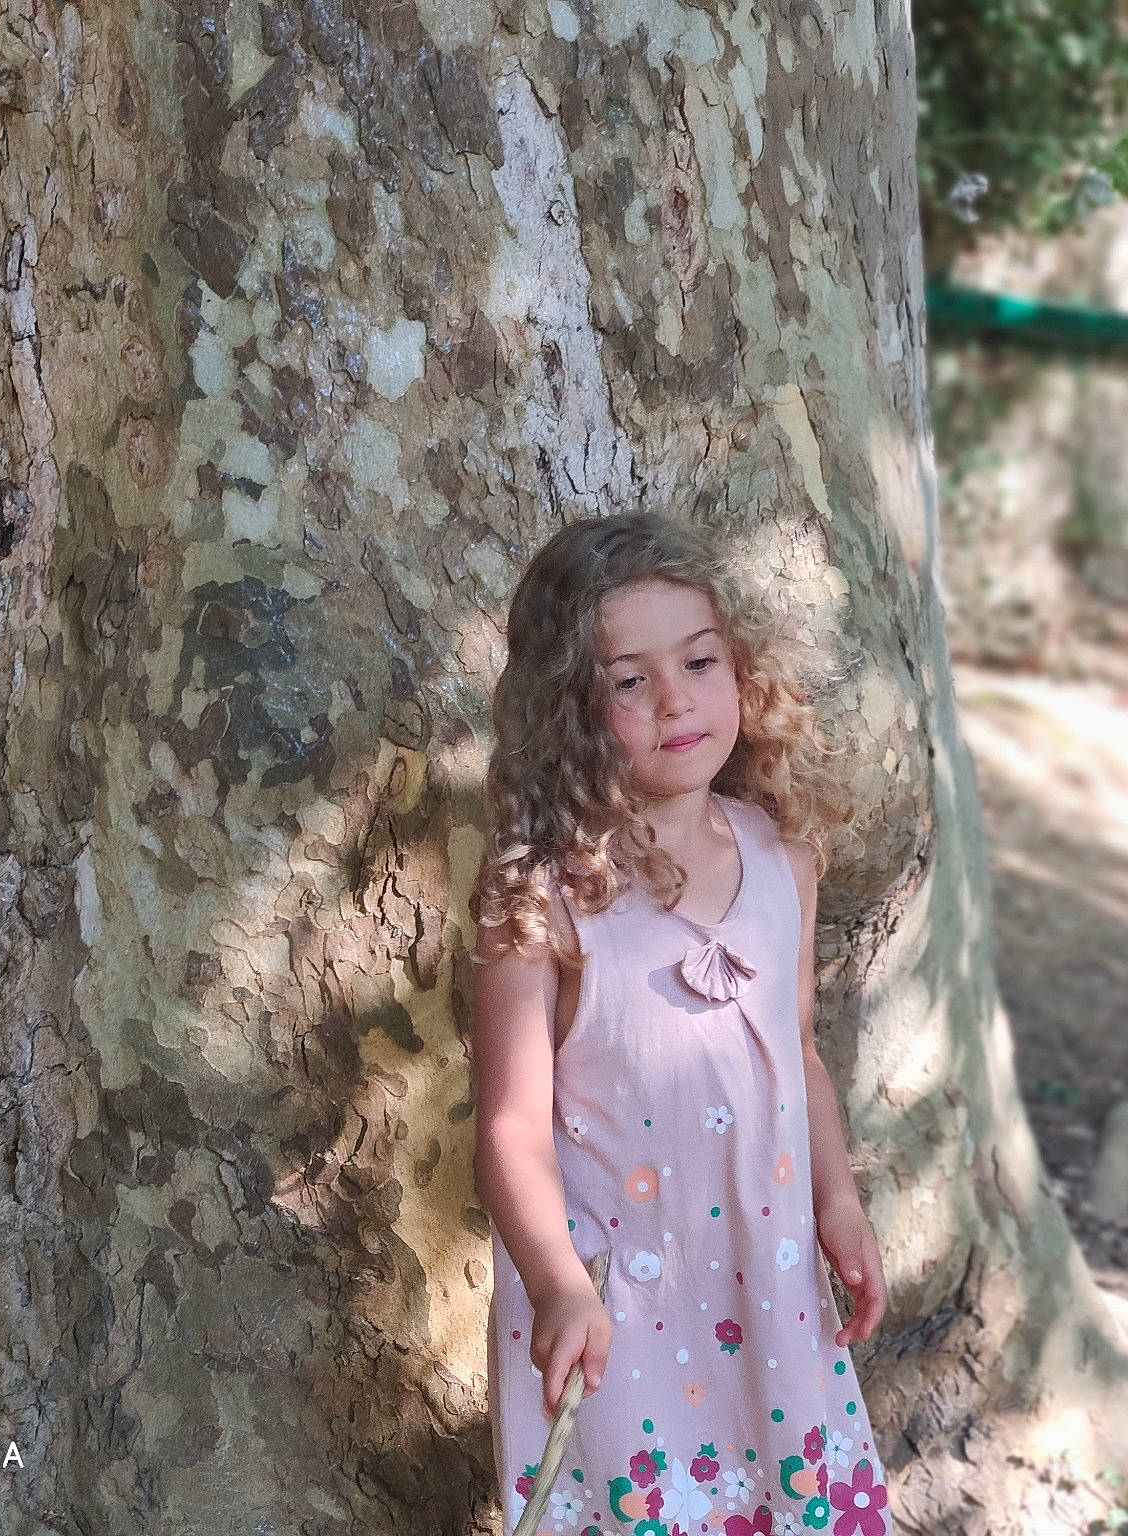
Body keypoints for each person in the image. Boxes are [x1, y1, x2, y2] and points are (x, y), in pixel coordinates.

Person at [469, 512, 896, 1536]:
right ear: (570, 708)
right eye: (627, 680)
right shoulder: (541, 901)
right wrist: (556, 1286)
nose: (675, 700)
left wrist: (836, 1203)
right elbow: (508, 1129)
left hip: (769, 1281)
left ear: (739, 669)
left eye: (700, 661)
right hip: (618, 1306)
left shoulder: (779, 857)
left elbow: (793, 1054)